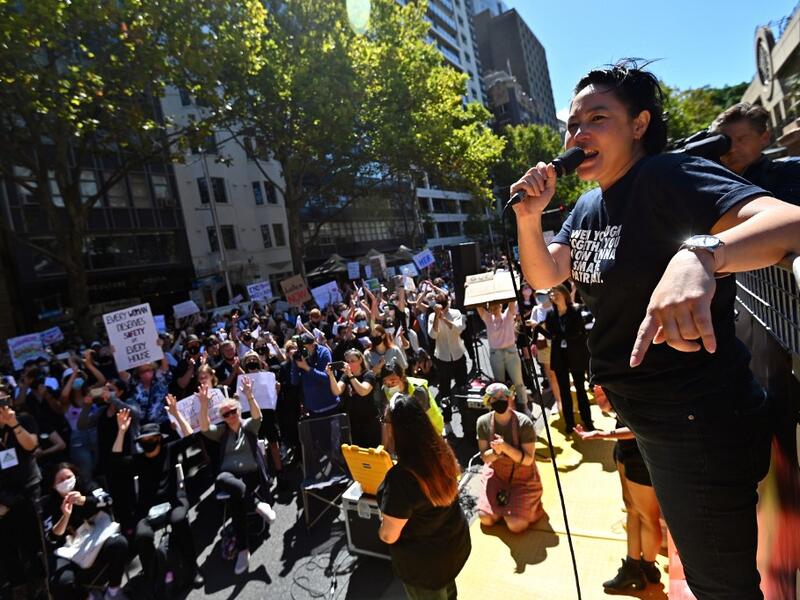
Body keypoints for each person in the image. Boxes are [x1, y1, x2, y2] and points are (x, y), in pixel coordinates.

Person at [511, 59, 800, 598]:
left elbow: (791, 221)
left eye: (597, 119)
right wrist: (529, 218)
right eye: (572, 125)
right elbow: (546, 273)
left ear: (639, 124)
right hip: (651, 421)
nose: (578, 135)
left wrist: (701, 252)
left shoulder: (668, 175)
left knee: (721, 588)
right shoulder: (587, 205)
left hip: (696, 423)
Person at [377, 394, 471, 600]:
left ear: (395, 429)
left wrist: (382, 522)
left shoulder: (400, 478)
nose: (383, 425)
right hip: (454, 546)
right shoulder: (441, 451)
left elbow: (389, 535)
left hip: (425, 567)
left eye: (384, 420)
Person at [574, 385, 661, 592]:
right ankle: (633, 565)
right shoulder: (622, 377)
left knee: (648, 517)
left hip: (642, 455)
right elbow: (625, 414)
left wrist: (603, 434)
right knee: (631, 509)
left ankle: (647, 565)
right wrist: (609, 404)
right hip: (625, 449)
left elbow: (641, 427)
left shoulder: (650, 382)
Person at [111, 407, 204, 590]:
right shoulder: (138, 460)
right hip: (146, 508)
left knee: (179, 521)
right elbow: (116, 462)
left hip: (173, 500)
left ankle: (192, 567)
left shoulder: (169, 450)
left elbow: (191, 437)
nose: (148, 443)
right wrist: (121, 431)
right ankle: (153, 577)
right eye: (144, 441)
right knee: (142, 535)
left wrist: (177, 414)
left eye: (152, 439)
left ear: (159, 439)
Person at [200, 379, 276, 575]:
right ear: (223, 418)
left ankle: (243, 549)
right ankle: (257, 505)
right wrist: (203, 405)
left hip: (250, 474)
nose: (231, 416)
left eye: (233, 411)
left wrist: (249, 396)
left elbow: (258, 417)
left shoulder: (248, 427)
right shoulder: (222, 433)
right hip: (230, 475)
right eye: (226, 414)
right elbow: (205, 428)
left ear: (238, 411)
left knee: (237, 501)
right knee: (222, 479)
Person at [46, 464, 129, 600]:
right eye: (60, 480)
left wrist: (83, 500)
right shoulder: (50, 504)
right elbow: (51, 538)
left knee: (120, 543)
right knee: (62, 582)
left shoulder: (87, 486)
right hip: (69, 550)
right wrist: (65, 516)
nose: (66, 482)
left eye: (68, 477)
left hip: (96, 539)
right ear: (54, 486)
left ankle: (113, 591)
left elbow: (108, 500)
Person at [475, 383, 543, 533]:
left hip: (522, 477)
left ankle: (529, 507)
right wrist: (496, 453)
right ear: (489, 401)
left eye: (502, 397)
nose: (499, 401)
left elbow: (528, 460)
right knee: (485, 518)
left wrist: (505, 448)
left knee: (515, 525)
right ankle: (504, 508)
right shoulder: (483, 422)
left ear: (510, 398)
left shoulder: (524, 422)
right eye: (494, 398)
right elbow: (485, 457)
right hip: (496, 474)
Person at [0, 393, 49, 599]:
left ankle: (42, 586)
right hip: (3, 497)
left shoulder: (25, 420)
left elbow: (31, 445)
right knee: (6, 546)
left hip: (28, 490)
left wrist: (13, 424)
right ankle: (18, 587)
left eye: (4, 400)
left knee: (34, 543)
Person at [711, 102, 800, 205]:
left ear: (765, 138)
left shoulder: (793, 171)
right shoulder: (711, 184)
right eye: (725, 142)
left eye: (741, 139)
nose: (732, 149)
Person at [540, 284, 594, 434]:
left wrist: (560, 336)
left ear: (564, 294)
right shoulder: (551, 314)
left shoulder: (576, 311)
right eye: (552, 294)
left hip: (575, 355)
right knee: (564, 391)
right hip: (559, 356)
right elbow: (551, 334)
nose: (554, 296)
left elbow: (579, 332)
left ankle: (587, 421)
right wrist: (539, 328)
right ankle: (569, 423)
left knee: (580, 389)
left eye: (556, 293)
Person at [476, 300, 529, 410]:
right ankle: (507, 407)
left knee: (518, 382)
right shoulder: (488, 318)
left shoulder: (508, 315)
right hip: (496, 354)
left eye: (495, 307)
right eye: (491, 308)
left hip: (511, 353)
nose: (493, 310)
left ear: (500, 306)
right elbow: (478, 307)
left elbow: (512, 300)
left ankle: (524, 406)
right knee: (500, 385)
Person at [427, 293, 467, 433]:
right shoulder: (432, 317)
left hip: (458, 355)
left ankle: (466, 418)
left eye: (445, 306)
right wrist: (437, 318)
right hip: (443, 357)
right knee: (445, 391)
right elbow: (432, 335)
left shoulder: (456, 313)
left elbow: (459, 328)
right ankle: (447, 421)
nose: (443, 309)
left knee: (462, 387)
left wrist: (444, 318)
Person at [326, 349, 381, 448]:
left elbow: (363, 391)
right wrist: (331, 375)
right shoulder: (346, 376)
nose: (349, 364)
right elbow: (337, 391)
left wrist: (351, 376)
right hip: (353, 421)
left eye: (352, 361)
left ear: (360, 360)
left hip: (369, 421)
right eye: (347, 361)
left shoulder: (369, 375)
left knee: (371, 449)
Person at [380, 361, 444, 437]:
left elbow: (421, 419)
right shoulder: (386, 390)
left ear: (402, 378)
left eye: (393, 382)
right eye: (386, 383)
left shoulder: (418, 390)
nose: (390, 386)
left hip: (432, 427)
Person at [290, 332, 341, 417]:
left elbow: (326, 378)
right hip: (313, 409)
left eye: (305, 348)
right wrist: (295, 362)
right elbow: (294, 381)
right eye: (301, 348)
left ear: (313, 344)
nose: (303, 350)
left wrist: (307, 368)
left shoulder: (324, 352)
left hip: (330, 405)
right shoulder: (299, 355)